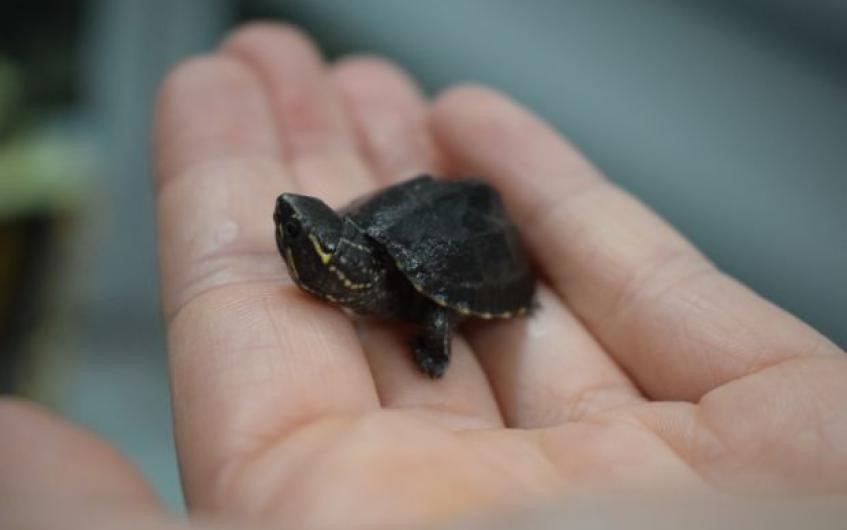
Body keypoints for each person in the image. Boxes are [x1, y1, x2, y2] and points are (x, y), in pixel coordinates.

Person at [1, 23, 845, 530]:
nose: (288, 233)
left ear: (334, 269)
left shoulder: (393, 287)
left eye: (300, 238)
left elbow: (429, 305)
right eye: (292, 234)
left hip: (454, 242)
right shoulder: (348, 268)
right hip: (395, 218)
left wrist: (433, 340)